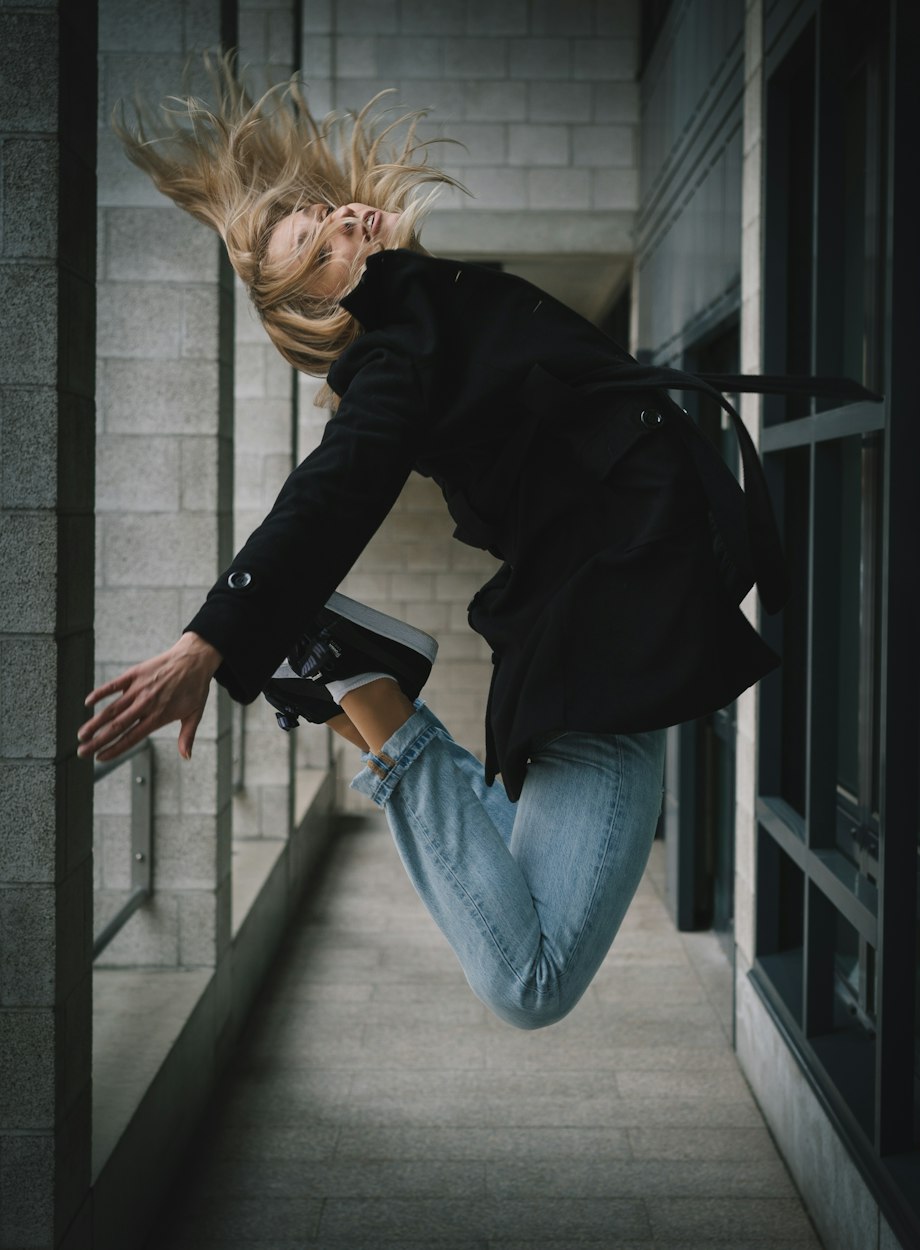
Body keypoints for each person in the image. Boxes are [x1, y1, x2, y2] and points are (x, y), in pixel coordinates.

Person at [77, 56, 786, 1030]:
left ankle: (375, 694)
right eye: (315, 255)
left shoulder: (431, 311)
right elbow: (329, 490)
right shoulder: (397, 355)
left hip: (597, 638)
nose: (338, 228)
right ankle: (382, 709)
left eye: (323, 216)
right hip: (601, 647)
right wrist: (213, 637)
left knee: (517, 906)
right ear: (325, 313)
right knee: (527, 982)